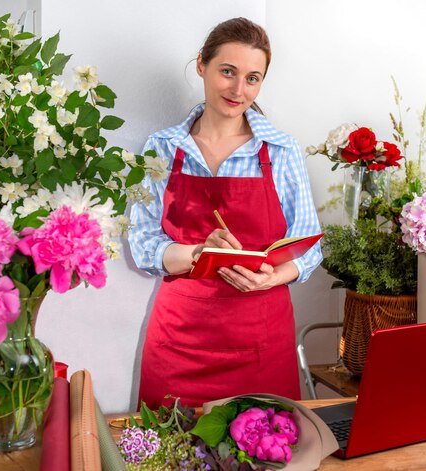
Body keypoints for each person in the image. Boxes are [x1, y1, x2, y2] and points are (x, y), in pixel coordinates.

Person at [129, 17, 322, 409]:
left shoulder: (281, 150)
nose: (238, 90)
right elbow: (142, 242)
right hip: (179, 341)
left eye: (252, 78)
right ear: (202, 64)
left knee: (264, 457)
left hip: (261, 344)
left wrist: (270, 278)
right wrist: (199, 253)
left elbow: (309, 247)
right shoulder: (162, 148)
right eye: (227, 72)